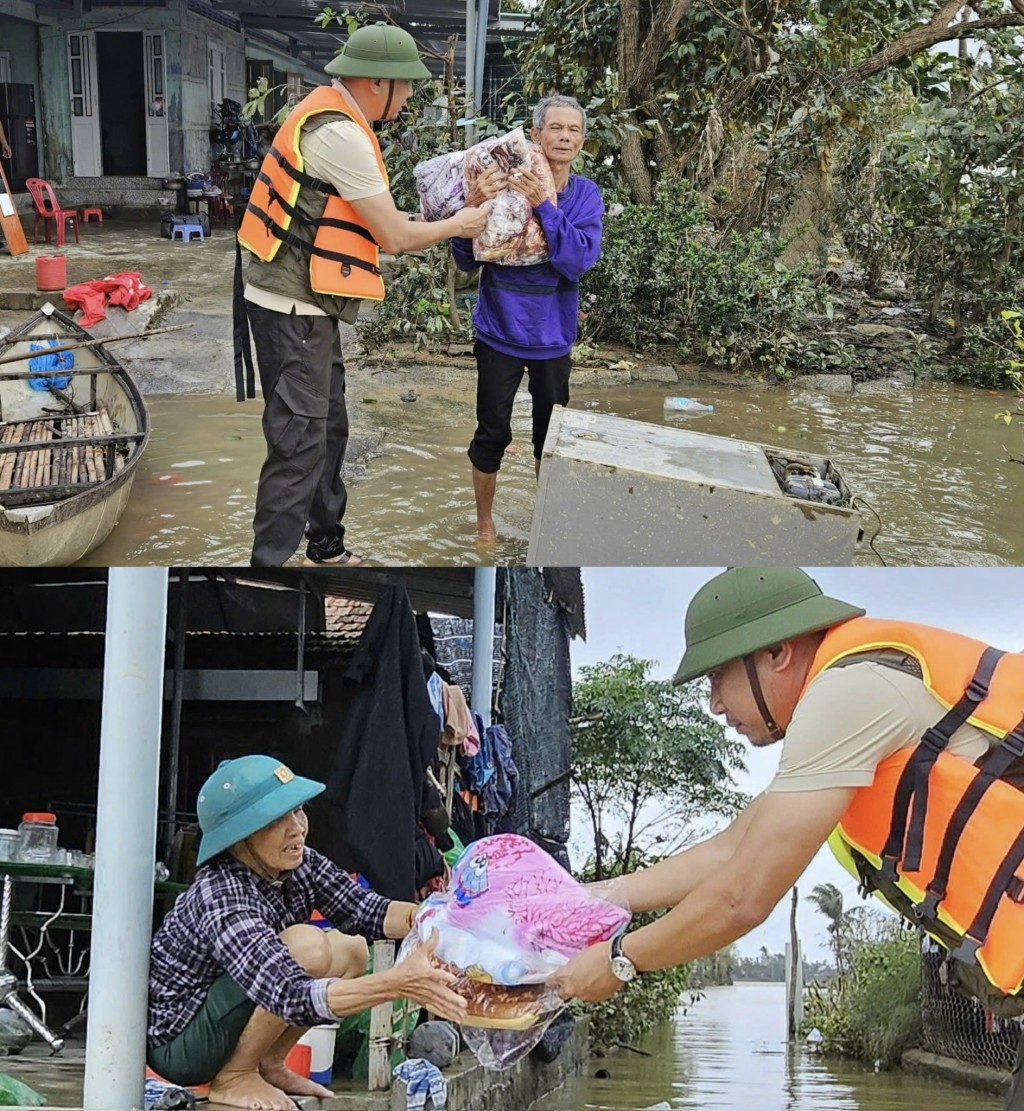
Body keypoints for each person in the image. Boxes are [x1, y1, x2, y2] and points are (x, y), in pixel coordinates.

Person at [548, 567, 1024, 1109]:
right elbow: (730, 848)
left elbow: (741, 898)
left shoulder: (849, 693)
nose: (714, 703)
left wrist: (618, 960)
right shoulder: (853, 691)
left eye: (717, 677)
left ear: (777, 651)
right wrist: (590, 899)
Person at [237, 23, 490, 568]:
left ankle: (326, 550)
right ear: (380, 82)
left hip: (306, 306)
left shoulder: (334, 114)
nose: (412, 97)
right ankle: (268, 574)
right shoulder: (341, 134)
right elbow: (395, 237)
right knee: (299, 443)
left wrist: (439, 218)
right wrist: (458, 225)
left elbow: (385, 223)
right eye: (408, 87)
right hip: (292, 308)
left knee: (328, 427)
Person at [147, 755, 467, 1111]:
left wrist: (440, 917)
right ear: (238, 839)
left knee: (352, 950)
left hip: (237, 1010)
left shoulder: (299, 863)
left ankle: (269, 1062)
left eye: (298, 811)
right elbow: (289, 994)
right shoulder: (222, 894)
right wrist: (395, 983)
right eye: (276, 819)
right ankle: (234, 1076)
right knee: (308, 947)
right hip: (182, 1043)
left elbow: (368, 911)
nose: (296, 827)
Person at [452, 94, 604, 542]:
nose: (564, 137)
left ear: (582, 141)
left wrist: (545, 206)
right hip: (499, 332)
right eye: (555, 128)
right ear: (535, 135)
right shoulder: (500, 193)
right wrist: (471, 206)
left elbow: (577, 260)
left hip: (553, 338)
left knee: (549, 439)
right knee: (491, 432)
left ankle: (545, 527)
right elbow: (467, 260)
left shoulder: (585, 196)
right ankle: (484, 524)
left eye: (573, 130)